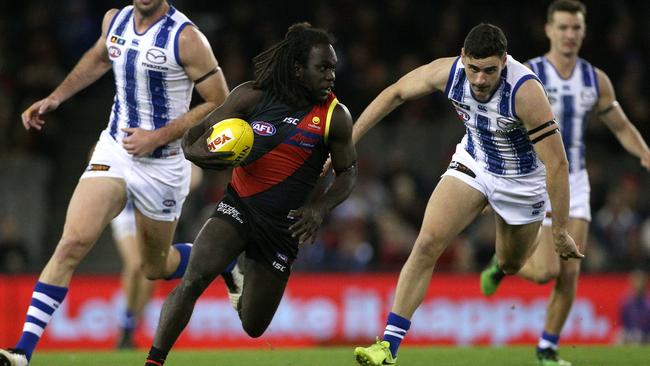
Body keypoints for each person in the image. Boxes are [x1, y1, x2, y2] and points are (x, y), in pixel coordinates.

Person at [0, 1, 228, 365]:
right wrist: (56, 97)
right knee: (72, 242)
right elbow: (98, 58)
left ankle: (225, 258)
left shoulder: (187, 39)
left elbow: (219, 99)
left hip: (163, 165)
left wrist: (158, 136)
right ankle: (22, 351)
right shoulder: (115, 19)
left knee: (155, 267)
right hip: (116, 149)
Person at [352, 23, 582, 366]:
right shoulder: (449, 72)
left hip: (522, 185)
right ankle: (387, 347)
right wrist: (349, 143)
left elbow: (558, 164)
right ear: (463, 58)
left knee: (511, 262)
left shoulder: (525, 92)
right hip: (475, 164)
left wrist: (560, 230)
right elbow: (395, 92)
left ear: (504, 61)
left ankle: (497, 266)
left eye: (490, 70)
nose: (479, 80)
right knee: (427, 242)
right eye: (473, 69)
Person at [142, 22, 357, 366]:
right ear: (298, 69)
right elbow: (192, 138)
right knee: (194, 278)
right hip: (238, 207)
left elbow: (348, 172)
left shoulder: (336, 116)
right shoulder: (251, 96)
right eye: (323, 68)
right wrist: (201, 156)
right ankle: (154, 361)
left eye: (333, 67)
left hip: (282, 231)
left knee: (253, 326)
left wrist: (319, 209)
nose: (331, 75)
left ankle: (233, 270)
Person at [479, 1, 650, 365]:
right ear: (548, 30)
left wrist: (644, 151)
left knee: (571, 269)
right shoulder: (529, 74)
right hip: (536, 178)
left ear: (583, 32)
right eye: (563, 28)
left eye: (575, 28)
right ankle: (501, 262)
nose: (569, 35)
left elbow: (618, 123)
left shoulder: (595, 80)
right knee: (544, 271)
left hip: (576, 181)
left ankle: (547, 348)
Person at [111, 201, 155, 349]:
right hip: (126, 213)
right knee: (135, 264)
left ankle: (129, 328)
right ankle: (127, 320)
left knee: (150, 275)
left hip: (152, 214)